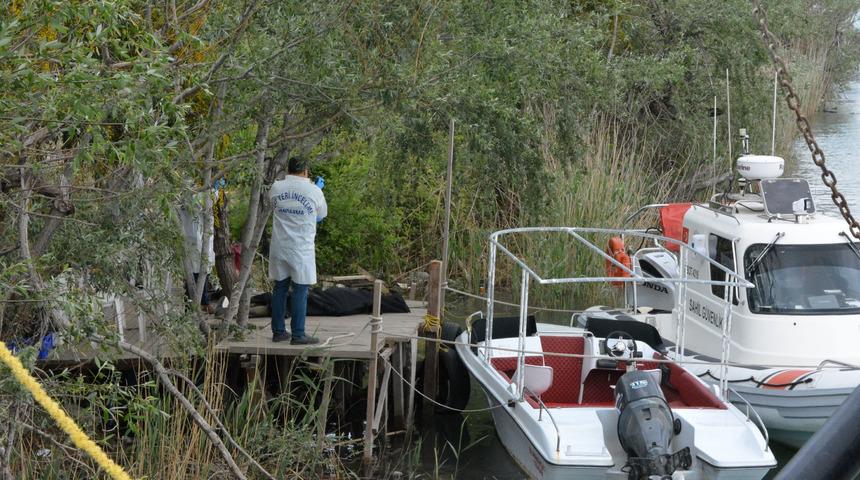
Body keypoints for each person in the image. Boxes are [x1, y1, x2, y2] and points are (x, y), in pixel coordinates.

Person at [268, 156, 327, 344]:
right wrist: (317, 190)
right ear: (306, 170)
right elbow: (321, 216)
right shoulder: (314, 190)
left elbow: (273, 206)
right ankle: (298, 334)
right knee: (301, 290)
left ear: (288, 169)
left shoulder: (276, 187)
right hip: (301, 249)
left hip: (279, 246)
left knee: (280, 288)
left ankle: (278, 331)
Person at [180, 188, 215, 313]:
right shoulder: (184, 186)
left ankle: (204, 302)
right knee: (192, 273)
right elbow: (195, 205)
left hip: (204, 234)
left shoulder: (207, 186)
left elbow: (210, 203)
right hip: (189, 235)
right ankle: (191, 306)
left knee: (204, 270)